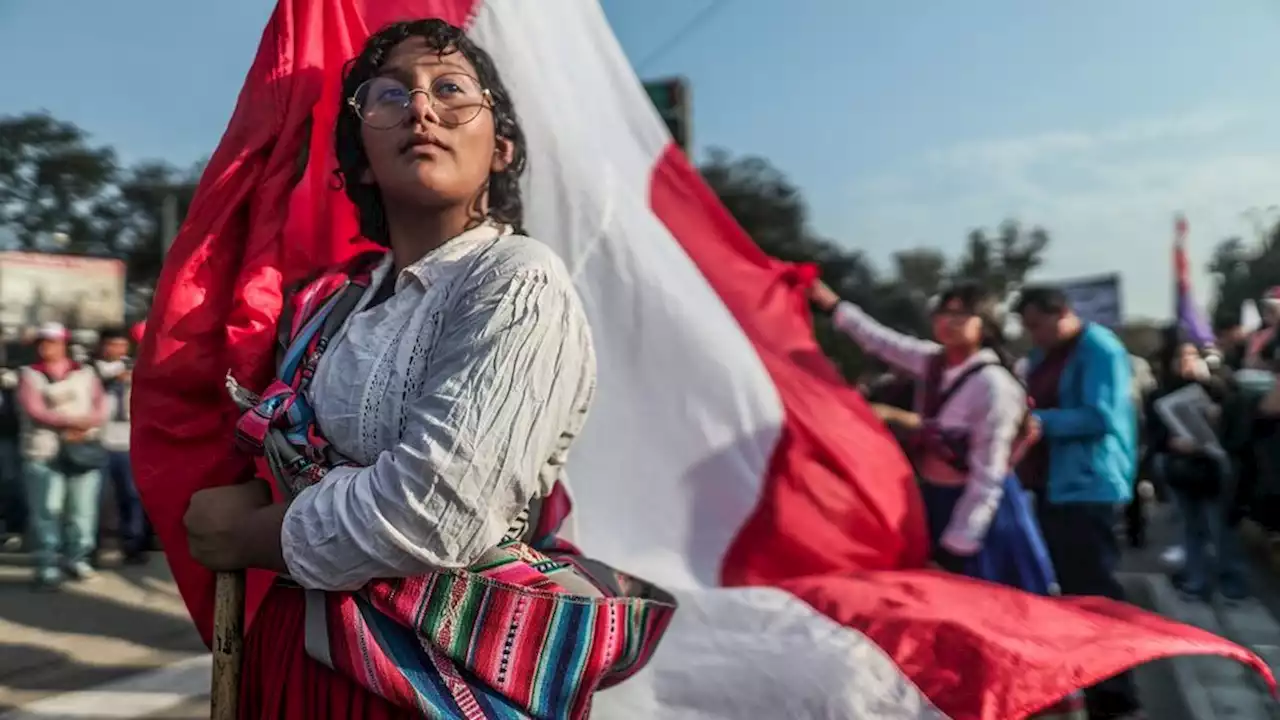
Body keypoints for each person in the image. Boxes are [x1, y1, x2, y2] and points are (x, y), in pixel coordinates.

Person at [179, 19, 673, 718]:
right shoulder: (326, 302)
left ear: (500, 147)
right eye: (389, 94)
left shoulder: (516, 278)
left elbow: (438, 513)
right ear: (358, 160)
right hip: (296, 657)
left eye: (451, 90)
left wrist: (250, 534)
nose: (421, 107)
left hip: (427, 682)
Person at [809, 281, 1056, 590]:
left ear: (986, 324)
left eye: (962, 314)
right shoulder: (934, 362)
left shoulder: (994, 386)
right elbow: (883, 342)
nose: (948, 321)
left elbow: (987, 478)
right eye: (944, 312)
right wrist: (833, 306)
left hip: (980, 517)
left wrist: (956, 548)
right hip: (936, 501)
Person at [1014, 286, 1142, 720]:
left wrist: (1036, 422)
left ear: (1062, 313)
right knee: (1069, 591)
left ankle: (1118, 696)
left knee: (1095, 593)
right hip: (1052, 485)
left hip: (1088, 486)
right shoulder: (1040, 358)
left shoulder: (1100, 349)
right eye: (1027, 327)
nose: (1034, 335)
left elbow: (1100, 415)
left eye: (1037, 325)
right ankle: (1087, 682)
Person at [1147, 332, 1246, 602]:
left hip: (1215, 467)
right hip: (1180, 467)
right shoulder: (1159, 393)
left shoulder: (1218, 386)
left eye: (1192, 355)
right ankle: (1196, 579)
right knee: (1190, 526)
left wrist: (1216, 403)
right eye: (1180, 356)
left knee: (1220, 526)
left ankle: (1232, 582)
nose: (1186, 362)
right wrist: (1172, 443)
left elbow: (1238, 427)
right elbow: (1153, 435)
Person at [17, 322, 108, 590]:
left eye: (53, 341)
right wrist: (71, 423)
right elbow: (34, 410)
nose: (47, 346)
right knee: (47, 510)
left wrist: (86, 424)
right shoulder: (29, 375)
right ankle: (46, 564)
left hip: (83, 450)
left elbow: (101, 406)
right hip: (43, 452)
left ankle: (77, 558)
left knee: (82, 511)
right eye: (42, 342)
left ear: (64, 344)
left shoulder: (85, 373)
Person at [93, 327, 148, 565]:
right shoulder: (90, 371)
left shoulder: (138, 368)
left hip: (129, 441)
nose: (116, 349)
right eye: (111, 344)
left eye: (120, 344)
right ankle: (95, 546)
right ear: (102, 346)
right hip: (98, 440)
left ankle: (134, 543)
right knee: (98, 498)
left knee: (133, 496)